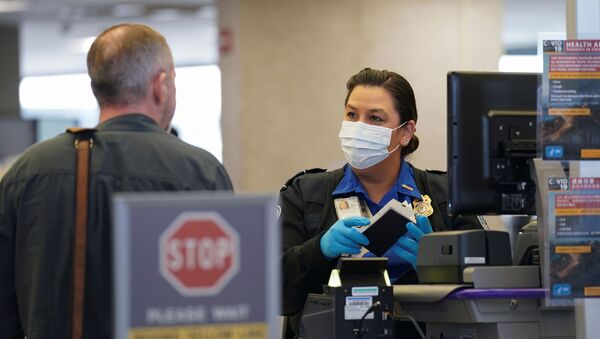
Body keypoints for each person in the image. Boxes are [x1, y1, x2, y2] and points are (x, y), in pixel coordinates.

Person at [0, 23, 233, 338]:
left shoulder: (27, 171)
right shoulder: (201, 172)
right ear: (160, 85)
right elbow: (221, 305)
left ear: (99, 87)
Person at [279, 68, 481, 338]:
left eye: (374, 118)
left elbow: (486, 288)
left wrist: (436, 263)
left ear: (406, 132)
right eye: (352, 115)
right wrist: (320, 250)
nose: (359, 127)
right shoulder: (305, 194)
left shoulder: (448, 196)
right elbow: (272, 289)